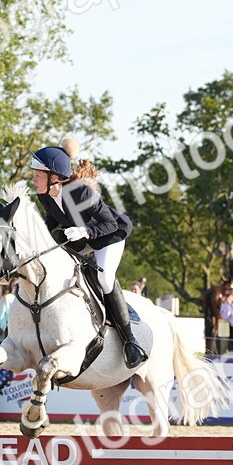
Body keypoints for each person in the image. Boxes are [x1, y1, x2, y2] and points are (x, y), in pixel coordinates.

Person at [30, 136, 147, 368]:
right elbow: (50, 222)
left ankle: (130, 342)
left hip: (109, 236)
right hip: (79, 234)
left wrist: (84, 231)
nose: (33, 179)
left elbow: (110, 224)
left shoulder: (81, 193)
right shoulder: (44, 195)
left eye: (37, 175)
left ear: (54, 178)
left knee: (104, 278)